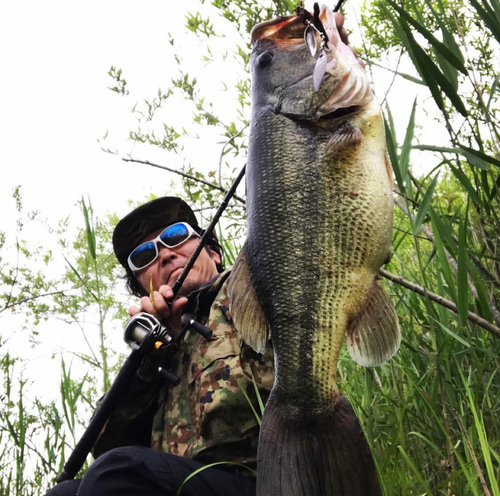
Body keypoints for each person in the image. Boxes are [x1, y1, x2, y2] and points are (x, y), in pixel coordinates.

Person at [46, 196, 274, 496]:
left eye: (175, 236)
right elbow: (105, 445)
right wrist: (149, 360)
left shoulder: (253, 288)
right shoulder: (153, 354)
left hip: (271, 479)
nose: (164, 254)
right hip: (184, 483)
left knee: (117, 473)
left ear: (213, 252)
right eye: (143, 256)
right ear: (142, 288)